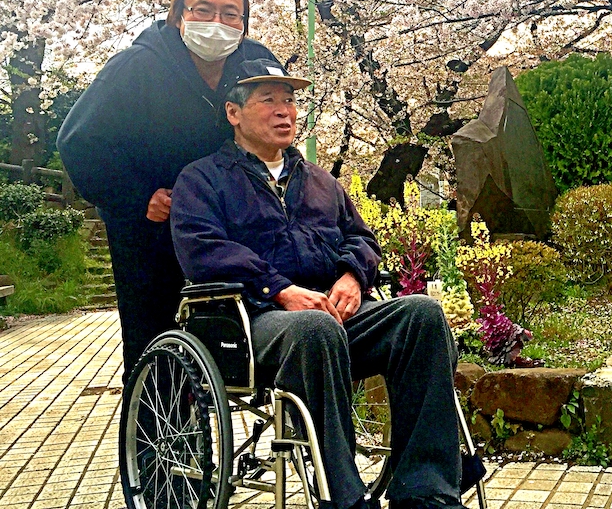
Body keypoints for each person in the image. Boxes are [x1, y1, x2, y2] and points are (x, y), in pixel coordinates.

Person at [170, 59, 465, 509]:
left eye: (289, 100)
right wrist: (278, 289)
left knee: (421, 315)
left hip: (331, 312)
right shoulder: (202, 179)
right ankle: (344, 497)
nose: (284, 111)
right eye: (268, 100)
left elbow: (361, 238)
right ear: (234, 113)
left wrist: (352, 275)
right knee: (314, 328)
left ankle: (425, 490)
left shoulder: (322, 182)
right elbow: (202, 249)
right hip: (253, 319)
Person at [56, 0, 279, 380]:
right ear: (179, 15)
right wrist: (139, 197)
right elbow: (78, 142)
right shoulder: (136, 68)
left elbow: (276, 121)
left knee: (247, 337)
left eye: (230, 14)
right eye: (204, 10)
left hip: (232, 228)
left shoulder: (255, 63)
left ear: (244, 23)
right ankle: (153, 442)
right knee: (155, 349)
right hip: (152, 230)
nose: (217, 24)